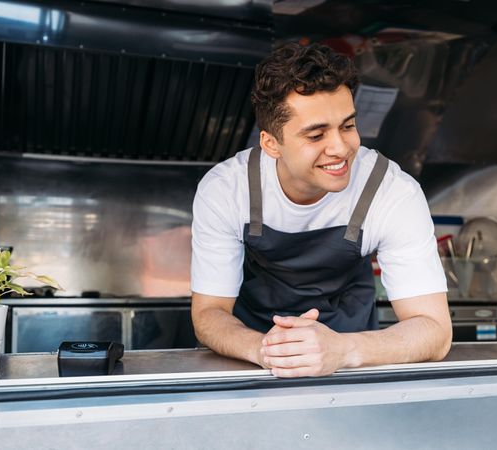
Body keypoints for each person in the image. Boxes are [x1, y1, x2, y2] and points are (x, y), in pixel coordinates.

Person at [190, 42, 452, 378]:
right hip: (250, 365)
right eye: (316, 135)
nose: (341, 148)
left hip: (352, 366)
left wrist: (345, 350)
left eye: (347, 126)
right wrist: (266, 351)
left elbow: (435, 331)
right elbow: (209, 313)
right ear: (271, 143)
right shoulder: (227, 189)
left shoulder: (391, 192)